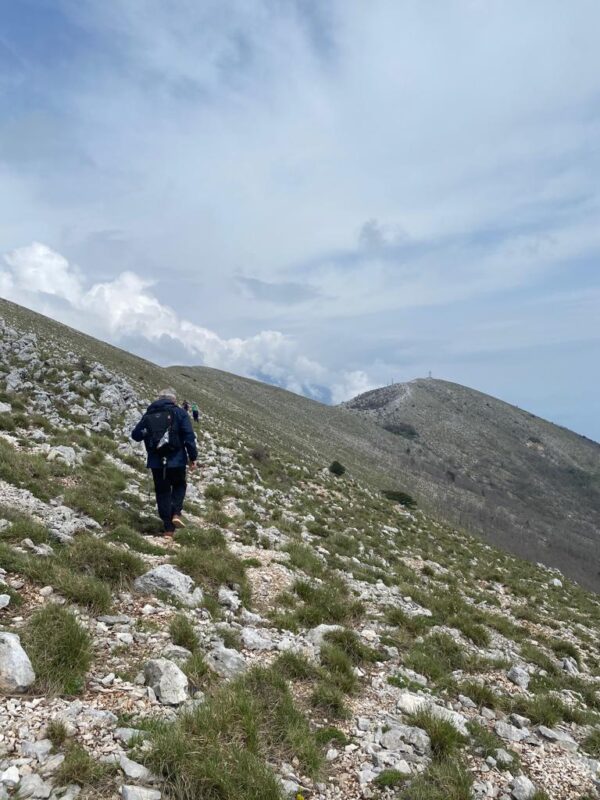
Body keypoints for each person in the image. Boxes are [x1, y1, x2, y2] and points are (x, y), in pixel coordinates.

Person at [131, 388, 197, 536]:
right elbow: (189, 436)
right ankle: (176, 513)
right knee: (180, 485)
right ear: (173, 400)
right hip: (177, 459)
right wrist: (193, 457)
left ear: (159, 399)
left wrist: (148, 432)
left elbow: (136, 435)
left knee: (162, 492)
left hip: (156, 461)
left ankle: (168, 529)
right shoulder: (180, 412)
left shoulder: (149, 414)